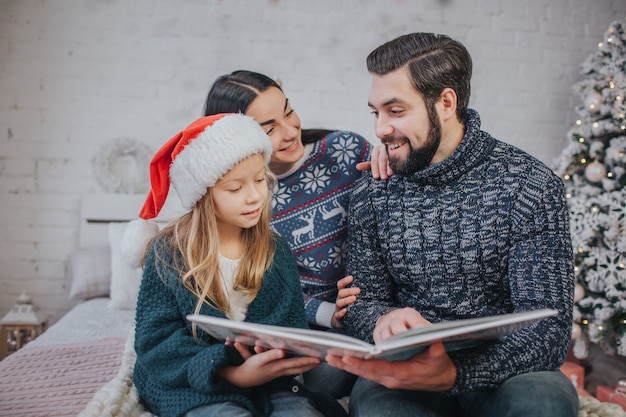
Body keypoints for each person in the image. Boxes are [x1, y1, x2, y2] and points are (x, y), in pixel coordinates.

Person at [326, 32, 579, 417]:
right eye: (375, 112)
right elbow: (360, 303)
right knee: (380, 408)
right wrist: (382, 318)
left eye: (395, 111)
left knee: (543, 402)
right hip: (407, 369)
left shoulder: (529, 185)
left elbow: (550, 329)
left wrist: (454, 374)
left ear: (446, 102)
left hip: (506, 367)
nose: (379, 129)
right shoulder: (375, 191)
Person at [123, 114, 347, 417]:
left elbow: (291, 325)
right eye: (235, 188)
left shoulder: (275, 250)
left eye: (259, 180)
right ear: (204, 195)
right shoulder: (168, 252)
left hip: (268, 379)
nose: (254, 196)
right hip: (191, 380)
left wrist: (291, 356)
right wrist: (233, 374)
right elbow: (155, 341)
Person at [204, 70, 371, 331]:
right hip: (308, 325)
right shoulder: (245, 201)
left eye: (289, 111)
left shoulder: (346, 151)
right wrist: (330, 314)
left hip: (376, 308)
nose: (291, 132)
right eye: (270, 128)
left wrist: (393, 163)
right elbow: (260, 287)